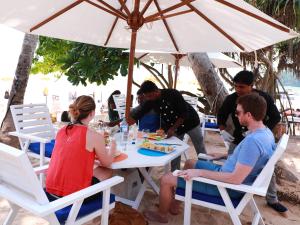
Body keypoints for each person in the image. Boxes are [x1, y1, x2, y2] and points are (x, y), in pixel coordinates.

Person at [144, 93, 276, 223]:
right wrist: (224, 155)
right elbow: (249, 159)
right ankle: (174, 205)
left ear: (249, 115)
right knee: (190, 163)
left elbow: (235, 179)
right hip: (227, 174)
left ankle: (162, 215)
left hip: (225, 187)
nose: (235, 115)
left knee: (166, 179)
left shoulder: (253, 141)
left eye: (238, 112)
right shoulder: (265, 133)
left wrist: (199, 173)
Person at [217, 70, 287, 214]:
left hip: (258, 138)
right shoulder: (232, 99)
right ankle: (230, 192)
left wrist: (260, 129)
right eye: (235, 86)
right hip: (238, 138)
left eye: (241, 87)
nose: (238, 90)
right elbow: (221, 114)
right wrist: (222, 130)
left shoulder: (263, 98)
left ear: (251, 86)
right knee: (232, 161)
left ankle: (272, 199)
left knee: (268, 170)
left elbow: (275, 116)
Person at [46, 95, 116, 200]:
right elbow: (107, 163)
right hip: (75, 197)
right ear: (92, 113)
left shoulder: (61, 131)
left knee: (92, 170)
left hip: (50, 190)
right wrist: (113, 145)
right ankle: (102, 206)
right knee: (107, 171)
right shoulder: (94, 135)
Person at [128, 80, 206, 171]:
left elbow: (184, 113)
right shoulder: (150, 101)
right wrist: (126, 122)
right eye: (146, 97)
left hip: (191, 122)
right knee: (175, 150)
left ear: (156, 91)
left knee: (199, 147)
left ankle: (206, 169)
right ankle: (175, 173)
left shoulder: (172, 94)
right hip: (175, 127)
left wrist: (172, 129)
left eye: (150, 96)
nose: (148, 98)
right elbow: (138, 114)